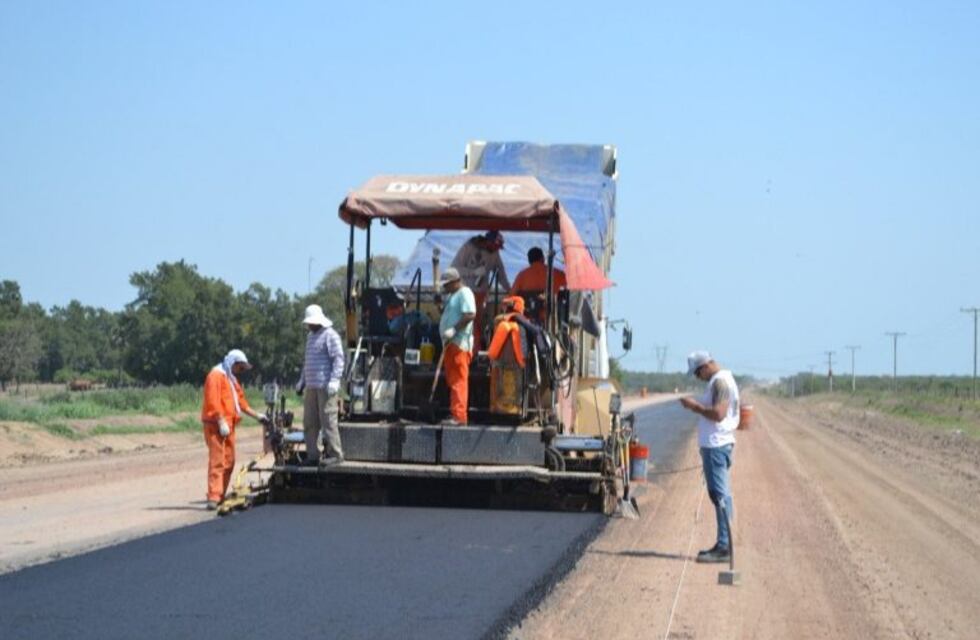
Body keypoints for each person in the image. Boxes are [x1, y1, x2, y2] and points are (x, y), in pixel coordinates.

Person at [679, 351, 741, 563]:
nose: (698, 378)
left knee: (720, 495)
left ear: (705, 366)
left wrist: (693, 406)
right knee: (721, 494)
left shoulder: (720, 382)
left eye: (697, 373)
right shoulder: (721, 380)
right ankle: (725, 543)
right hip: (716, 444)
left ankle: (724, 546)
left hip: (716, 446)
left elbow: (718, 414)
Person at [201, 349, 269, 510]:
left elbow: (241, 402)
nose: (241, 372)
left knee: (229, 461)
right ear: (233, 363)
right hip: (215, 424)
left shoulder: (231, 380)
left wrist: (257, 416)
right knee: (218, 460)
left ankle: (220, 494)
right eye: (240, 368)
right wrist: (220, 420)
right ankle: (213, 496)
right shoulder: (215, 376)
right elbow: (212, 400)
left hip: (229, 425)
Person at [296, 304, 345, 467]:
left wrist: (335, 380)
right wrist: (302, 381)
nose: (309, 325)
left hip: (326, 386)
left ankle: (336, 454)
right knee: (310, 422)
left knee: (328, 421)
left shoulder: (330, 335)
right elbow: (307, 362)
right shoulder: (310, 337)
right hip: (311, 386)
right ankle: (313, 455)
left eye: (311, 322)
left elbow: (338, 359)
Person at [438, 268, 476, 425]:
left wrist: (453, 329)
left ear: (454, 282)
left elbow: (470, 314)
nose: (445, 288)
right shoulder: (453, 296)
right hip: (450, 344)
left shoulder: (465, 293)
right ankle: (455, 413)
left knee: (459, 380)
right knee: (453, 381)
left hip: (459, 343)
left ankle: (459, 417)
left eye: (446, 285)